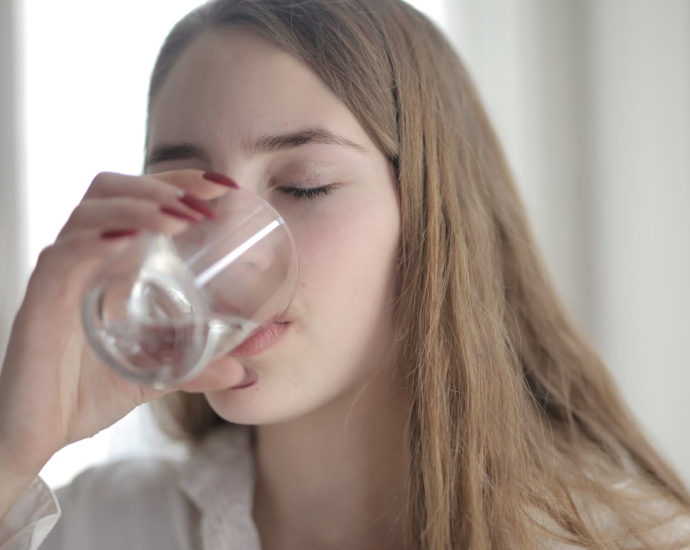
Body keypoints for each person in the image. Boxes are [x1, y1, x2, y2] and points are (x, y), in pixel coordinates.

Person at [1, 0, 689, 548]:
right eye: (189, 194)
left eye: (304, 186)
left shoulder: (626, 540)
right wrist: (10, 452)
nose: (235, 250)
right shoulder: (99, 527)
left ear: (431, 218)